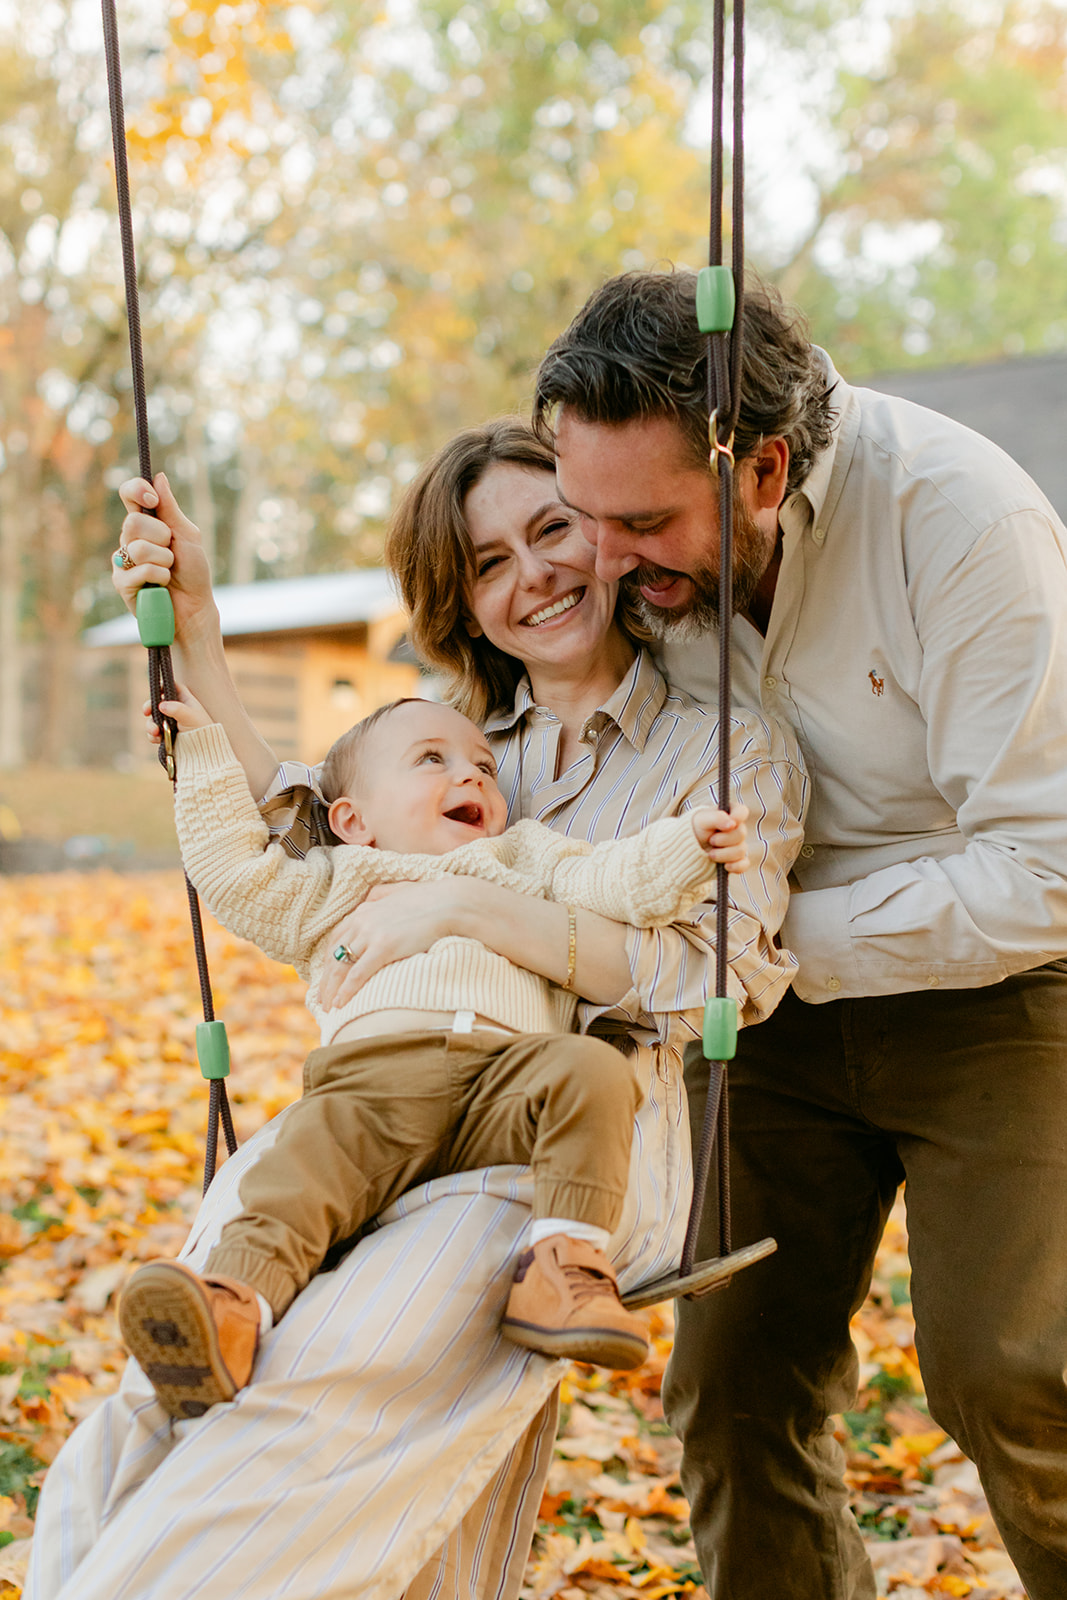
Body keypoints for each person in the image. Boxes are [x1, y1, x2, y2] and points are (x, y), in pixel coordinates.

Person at [27, 419, 806, 1600]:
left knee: (311, 1401)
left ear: (607, 526)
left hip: (553, 1151)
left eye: (551, 530)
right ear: (462, 600)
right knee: (155, 1399)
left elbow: (713, 978)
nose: (532, 574)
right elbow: (297, 835)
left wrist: (470, 909)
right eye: (487, 562)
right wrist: (198, 633)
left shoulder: (720, 751)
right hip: (365, 1115)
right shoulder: (449, 737)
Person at [532, 268, 1067, 1600]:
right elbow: (476, 667)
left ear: (761, 467)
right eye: (579, 517)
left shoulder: (957, 518)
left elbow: (1046, 864)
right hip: (751, 1007)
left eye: (643, 522)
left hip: (1000, 988)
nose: (601, 564)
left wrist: (766, 944)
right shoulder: (625, 555)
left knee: (1016, 1372)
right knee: (727, 1387)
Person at [120, 686, 752, 1410]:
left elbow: (611, 878)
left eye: (483, 766)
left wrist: (689, 845)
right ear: (353, 821)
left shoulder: (522, 858)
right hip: (374, 1088)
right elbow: (231, 873)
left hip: (505, 1081)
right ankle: (230, 1308)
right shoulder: (332, 884)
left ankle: (565, 1265)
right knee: (297, 1170)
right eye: (431, 759)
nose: (472, 776)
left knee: (592, 1070)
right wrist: (200, 749)